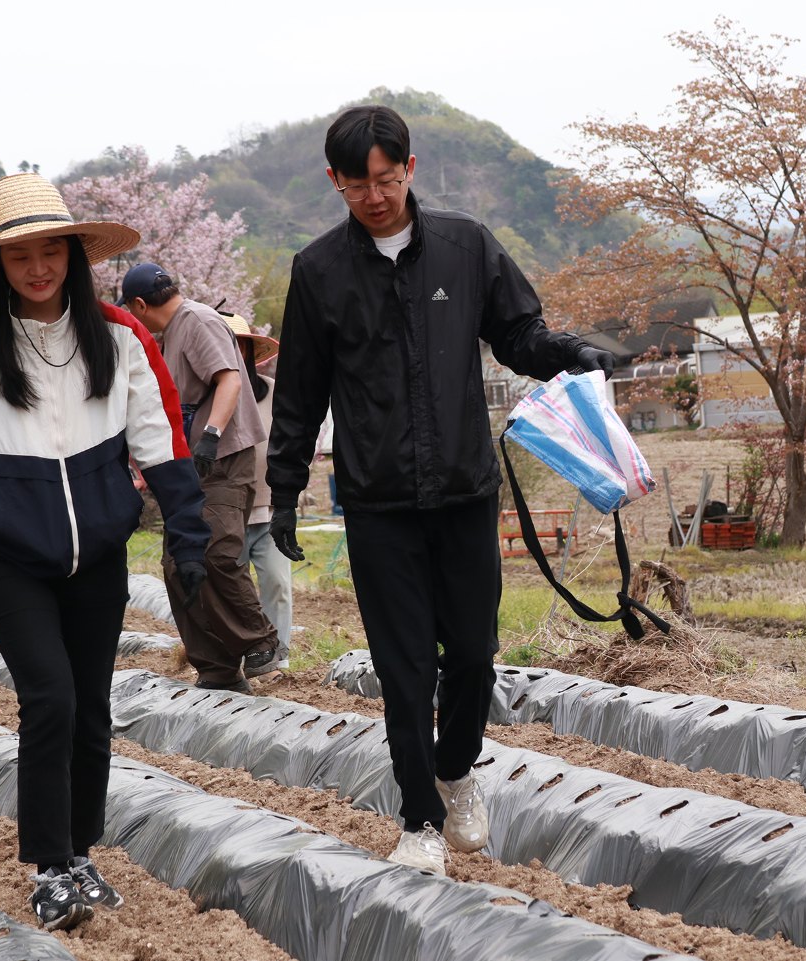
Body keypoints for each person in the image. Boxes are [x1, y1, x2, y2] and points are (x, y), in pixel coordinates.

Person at [265, 105, 615, 875]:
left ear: (410, 169)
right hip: (378, 502)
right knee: (403, 668)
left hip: (462, 491)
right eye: (358, 185)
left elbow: (518, 333)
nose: (376, 197)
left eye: (387, 180)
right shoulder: (318, 271)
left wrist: (567, 353)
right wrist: (283, 489)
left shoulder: (465, 246)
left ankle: (456, 768)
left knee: (475, 657)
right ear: (336, 183)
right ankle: (419, 818)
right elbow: (299, 392)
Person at [0, 173, 211, 931]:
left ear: (72, 252)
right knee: (50, 699)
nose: (38, 267)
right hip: (11, 559)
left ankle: (80, 849)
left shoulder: (120, 339)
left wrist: (190, 539)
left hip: (97, 558)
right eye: (19, 255)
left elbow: (165, 447)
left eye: (51, 249)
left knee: (92, 708)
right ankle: (49, 866)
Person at [118, 264, 279, 692]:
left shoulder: (198, 320)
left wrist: (210, 435)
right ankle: (217, 669)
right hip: (193, 467)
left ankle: (261, 639)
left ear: (138, 305)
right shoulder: (172, 334)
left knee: (215, 551)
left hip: (223, 458)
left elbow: (228, 379)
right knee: (179, 565)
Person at [227, 316, 292, 673]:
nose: (232, 353)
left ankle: (277, 658)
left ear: (251, 352)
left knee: (277, 583)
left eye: (239, 345)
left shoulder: (273, 393)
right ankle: (237, 658)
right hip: (227, 510)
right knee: (229, 589)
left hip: (270, 508)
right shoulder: (209, 396)